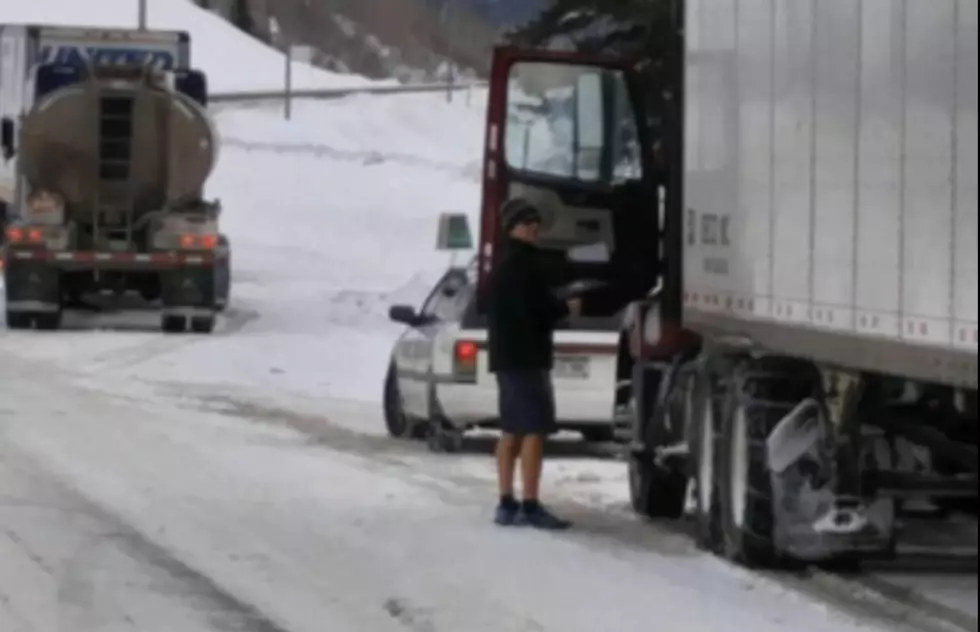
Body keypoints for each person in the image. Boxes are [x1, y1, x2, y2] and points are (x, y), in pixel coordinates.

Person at [486, 198, 581, 529]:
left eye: (536, 223)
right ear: (512, 227)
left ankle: (505, 502)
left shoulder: (500, 265)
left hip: (506, 358)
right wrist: (566, 308)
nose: (534, 229)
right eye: (527, 223)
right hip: (527, 358)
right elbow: (538, 310)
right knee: (534, 431)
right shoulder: (527, 264)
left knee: (511, 429)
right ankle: (530, 503)